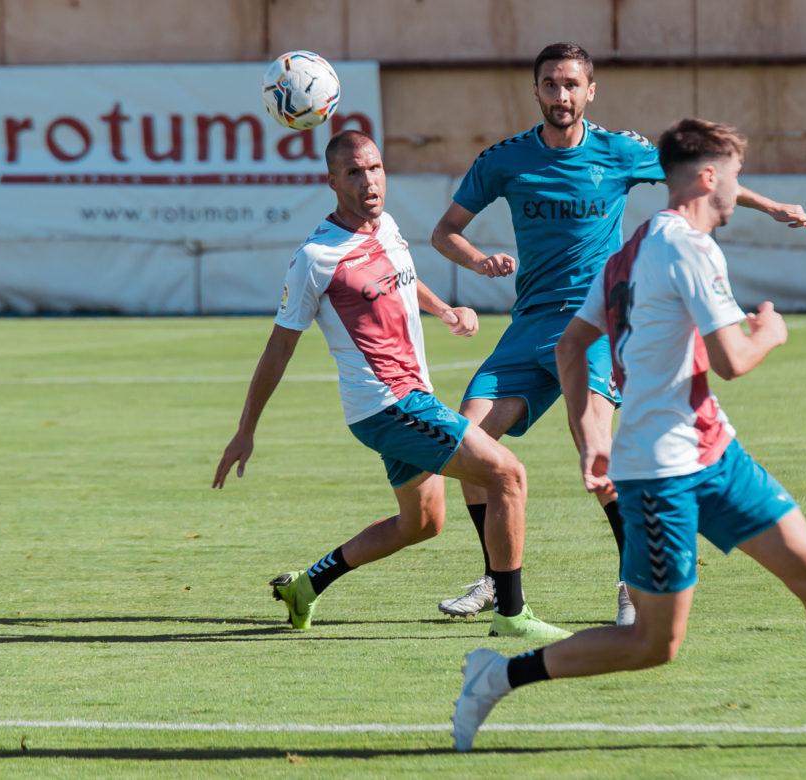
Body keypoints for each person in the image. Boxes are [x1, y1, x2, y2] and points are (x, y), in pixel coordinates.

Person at [450, 118, 806, 751]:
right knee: (652, 644)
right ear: (710, 177)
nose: (738, 190)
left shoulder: (631, 248)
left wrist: (589, 432)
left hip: (716, 453)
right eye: (737, 176)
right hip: (660, 472)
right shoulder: (687, 249)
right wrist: (771, 331)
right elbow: (733, 360)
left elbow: (576, 344)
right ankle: (498, 674)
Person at [432, 42, 806, 625]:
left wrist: (771, 206)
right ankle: (497, 578)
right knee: (471, 444)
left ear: (591, 91)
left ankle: (630, 585)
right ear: (535, 90)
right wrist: (479, 261)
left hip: (591, 327)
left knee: (599, 460)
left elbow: (697, 178)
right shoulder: (504, 160)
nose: (560, 96)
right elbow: (445, 232)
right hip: (527, 329)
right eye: (549, 85)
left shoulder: (619, 152)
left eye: (571, 85)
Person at [212, 130, 569, 642]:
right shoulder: (316, 256)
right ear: (331, 181)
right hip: (387, 404)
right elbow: (278, 348)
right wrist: (246, 430)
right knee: (507, 475)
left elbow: (403, 275)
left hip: (409, 398)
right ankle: (512, 613)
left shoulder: (387, 226)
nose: (369, 181)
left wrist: (445, 310)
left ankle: (305, 588)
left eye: (375, 168)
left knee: (422, 522)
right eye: (354, 173)